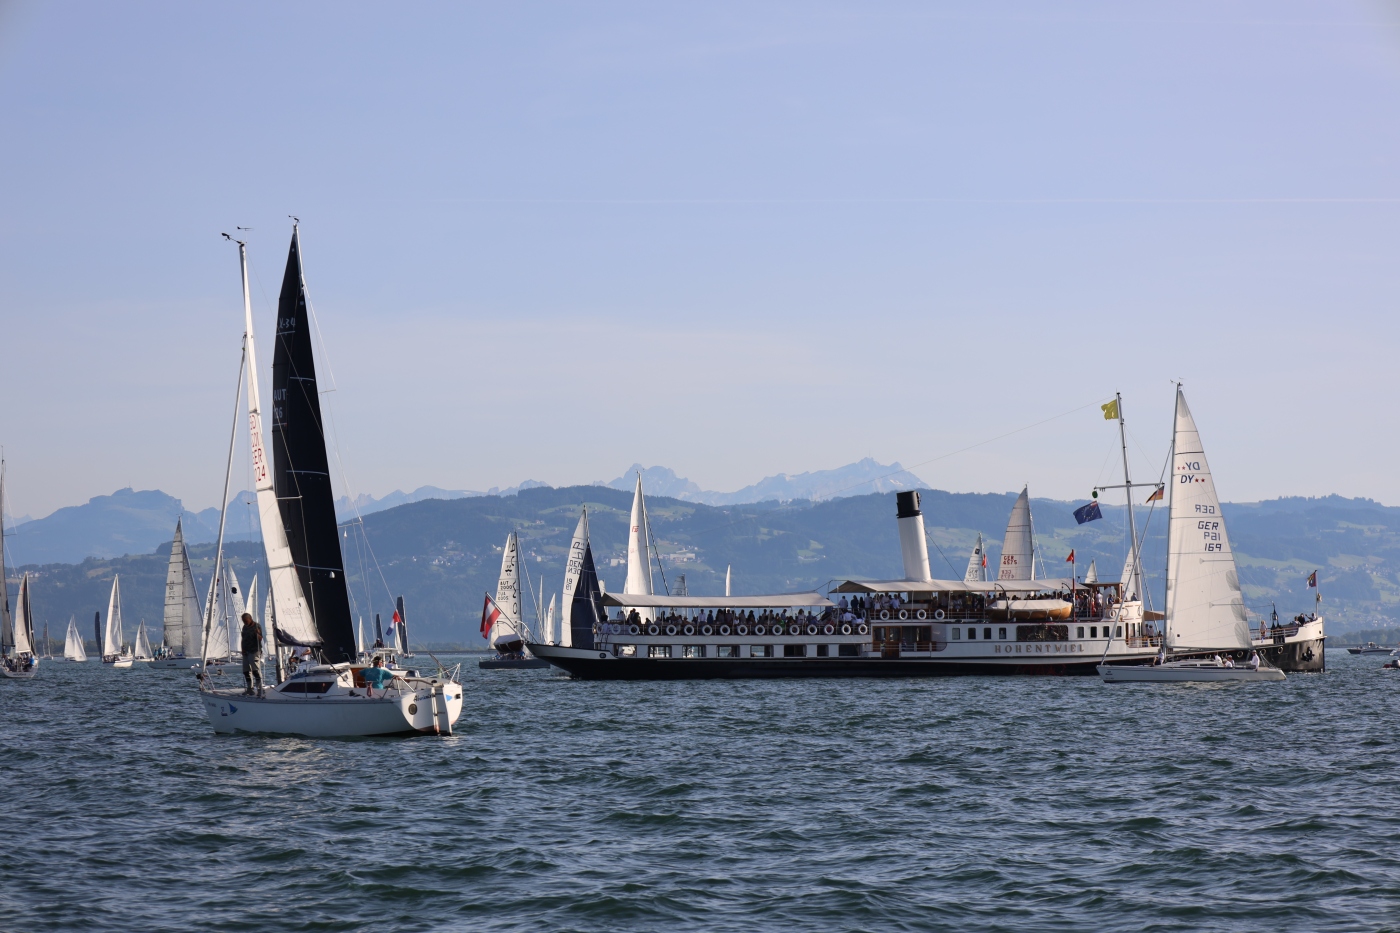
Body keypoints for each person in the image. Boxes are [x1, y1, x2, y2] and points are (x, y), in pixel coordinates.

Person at [239, 612, 264, 697]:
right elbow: (243, 638)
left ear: (250, 619)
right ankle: (250, 689)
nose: (245, 622)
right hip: (246, 651)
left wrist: (257, 633)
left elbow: (260, 638)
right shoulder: (244, 627)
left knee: (255, 670)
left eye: (246, 621)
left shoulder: (257, 626)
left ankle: (260, 689)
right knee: (246, 671)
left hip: (254, 651)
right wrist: (242, 649)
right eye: (243, 621)